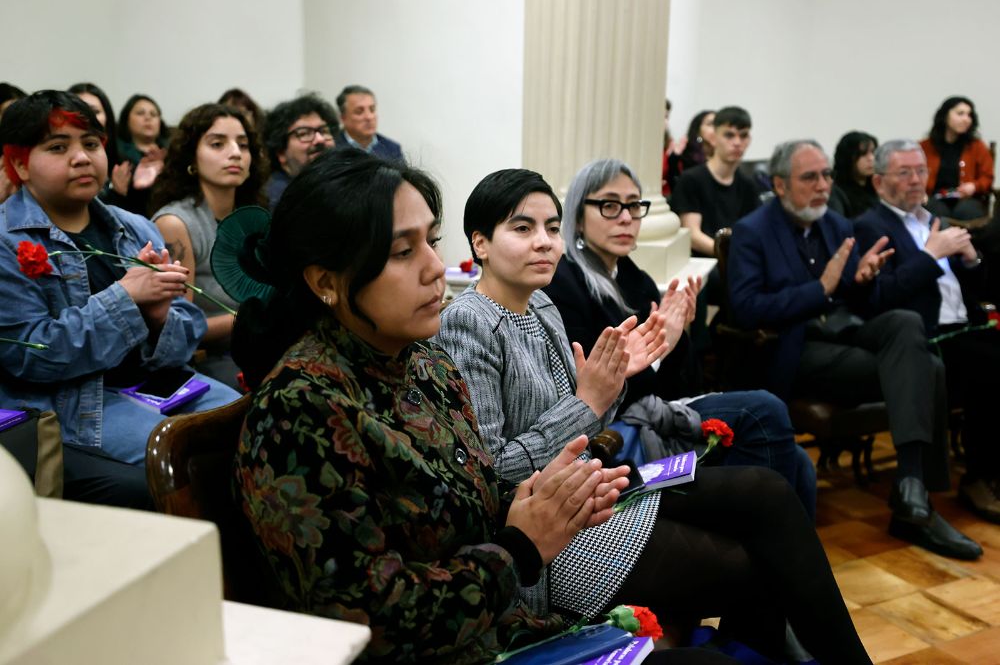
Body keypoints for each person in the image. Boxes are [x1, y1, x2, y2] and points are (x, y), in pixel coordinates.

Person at [228, 149, 750, 664]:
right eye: (402, 252)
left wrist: (557, 495)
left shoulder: (424, 364)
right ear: (325, 283)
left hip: (510, 611)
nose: (437, 268)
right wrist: (522, 542)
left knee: (754, 527)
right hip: (472, 638)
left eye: (430, 242)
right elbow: (370, 623)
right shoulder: (301, 410)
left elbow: (484, 485)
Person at [435, 166, 872, 663]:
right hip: (554, 536)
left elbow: (585, 422)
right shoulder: (467, 323)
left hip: (593, 493)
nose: (545, 242)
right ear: (481, 243)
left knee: (766, 491)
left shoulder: (541, 306)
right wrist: (591, 402)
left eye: (552, 228)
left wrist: (614, 384)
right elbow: (492, 474)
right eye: (522, 227)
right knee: (764, 566)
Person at [728, 139, 982, 560]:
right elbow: (747, 308)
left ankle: (911, 488)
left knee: (906, 323)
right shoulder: (753, 231)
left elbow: (858, 301)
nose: (823, 185)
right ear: (780, 184)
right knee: (929, 367)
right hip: (797, 347)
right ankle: (915, 496)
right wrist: (820, 289)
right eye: (810, 177)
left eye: (827, 175)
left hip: (846, 335)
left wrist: (861, 280)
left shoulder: (836, 225)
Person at [0, 91, 239, 507]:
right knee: (187, 459)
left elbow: (189, 331)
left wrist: (159, 318)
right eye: (58, 147)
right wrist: (125, 298)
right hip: (76, 403)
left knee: (252, 429)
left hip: (158, 384)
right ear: (20, 163)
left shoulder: (132, 227)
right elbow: (32, 354)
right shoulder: (6, 242)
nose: (81, 157)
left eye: (91, 144)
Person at [544, 157, 817, 518]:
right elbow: (604, 396)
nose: (626, 217)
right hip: (618, 448)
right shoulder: (565, 282)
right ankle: (763, 551)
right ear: (578, 215)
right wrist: (662, 347)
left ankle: (765, 560)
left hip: (661, 418)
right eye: (610, 206)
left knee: (800, 463)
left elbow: (680, 384)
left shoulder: (631, 276)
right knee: (763, 409)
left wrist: (681, 334)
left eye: (634, 206)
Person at [855, 140, 1000, 523]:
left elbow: (971, 289)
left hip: (963, 328)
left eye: (921, 171)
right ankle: (979, 479)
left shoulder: (935, 219)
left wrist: (971, 262)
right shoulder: (870, 226)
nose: (917, 180)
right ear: (879, 181)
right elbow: (880, 298)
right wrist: (929, 256)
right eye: (904, 173)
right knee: (989, 363)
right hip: (923, 340)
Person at [150, 103, 267, 387]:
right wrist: (256, 316)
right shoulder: (176, 223)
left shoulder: (254, 213)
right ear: (191, 157)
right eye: (218, 144)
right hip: (210, 359)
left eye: (243, 144)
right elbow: (178, 329)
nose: (236, 153)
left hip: (262, 342)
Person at [671, 106, 760, 351]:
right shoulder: (692, 180)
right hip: (703, 266)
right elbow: (693, 235)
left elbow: (755, 234)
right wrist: (729, 255)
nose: (737, 142)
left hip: (735, 265)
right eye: (729, 135)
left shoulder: (748, 185)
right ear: (714, 137)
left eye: (743, 136)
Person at [921, 96, 994, 220]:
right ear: (945, 116)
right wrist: (919, 193)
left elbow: (987, 177)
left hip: (967, 199)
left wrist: (974, 186)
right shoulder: (925, 146)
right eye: (960, 114)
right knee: (936, 213)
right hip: (935, 198)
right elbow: (913, 175)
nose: (966, 119)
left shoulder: (977, 146)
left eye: (969, 115)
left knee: (966, 211)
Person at [262, 92, 338, 211]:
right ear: (281, 152)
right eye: (304, 133)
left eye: (324, 131)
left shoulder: (341, 186)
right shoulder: (279, 200)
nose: (319, 139)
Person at [68, 82, 129, 202]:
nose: (87, 117)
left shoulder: (122, 163)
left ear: (107, 117)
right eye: (79, 111)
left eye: (95, 112)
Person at [113, 93, 171, 215]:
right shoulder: (114, 153)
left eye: (153, 114)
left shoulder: (173, 153)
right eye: (140, 113)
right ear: (126, 120)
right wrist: (117, 191)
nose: (148, 118)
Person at [334, 85, 404, 161]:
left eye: (372, 110)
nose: (369, 117)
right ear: (343, 118)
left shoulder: (392, 149)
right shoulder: (332, 148)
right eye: (359, 112)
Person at [829, 130, 879, 219]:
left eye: (872, 152)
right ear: (848, 157)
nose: (871, 158)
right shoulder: (836, 192)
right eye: (863, 154)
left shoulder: (877, 188)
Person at [665, 109, 714, 195]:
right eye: (710, 124)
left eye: (717, 124)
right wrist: (675, 156)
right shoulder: (687, 153)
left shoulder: (725, 154)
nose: (715, 128)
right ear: (698, 129)